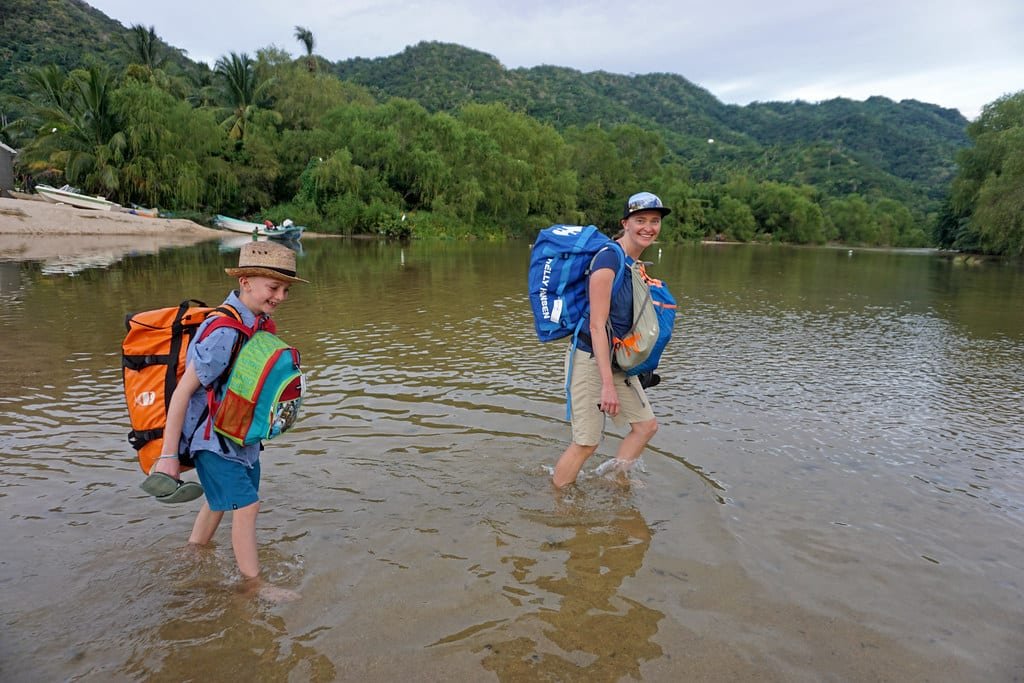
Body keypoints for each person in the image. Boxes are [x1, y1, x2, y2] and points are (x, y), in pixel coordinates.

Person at [142, 241, 307, 598]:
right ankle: (254, 585)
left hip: (241, 440)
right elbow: (183, 393)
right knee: (248, 505)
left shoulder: (257, 323)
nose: (280, 296)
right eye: (273, 287)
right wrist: (169, 456)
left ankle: (194, 551)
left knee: (220, 501)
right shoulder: (223, 333)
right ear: (246, 281)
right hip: (211, 443)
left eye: (285, 289)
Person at [551, 191, 670, 488]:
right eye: (640, 220)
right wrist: (607, 385)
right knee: (586, 443)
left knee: (645, 427)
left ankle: (618, 483)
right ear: (625, 223)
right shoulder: (608, 260)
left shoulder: (633, 263)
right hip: (591, 358)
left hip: (616, 358)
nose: (648, 227)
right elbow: (597, 324)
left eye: (654, 221)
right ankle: (557, 503)